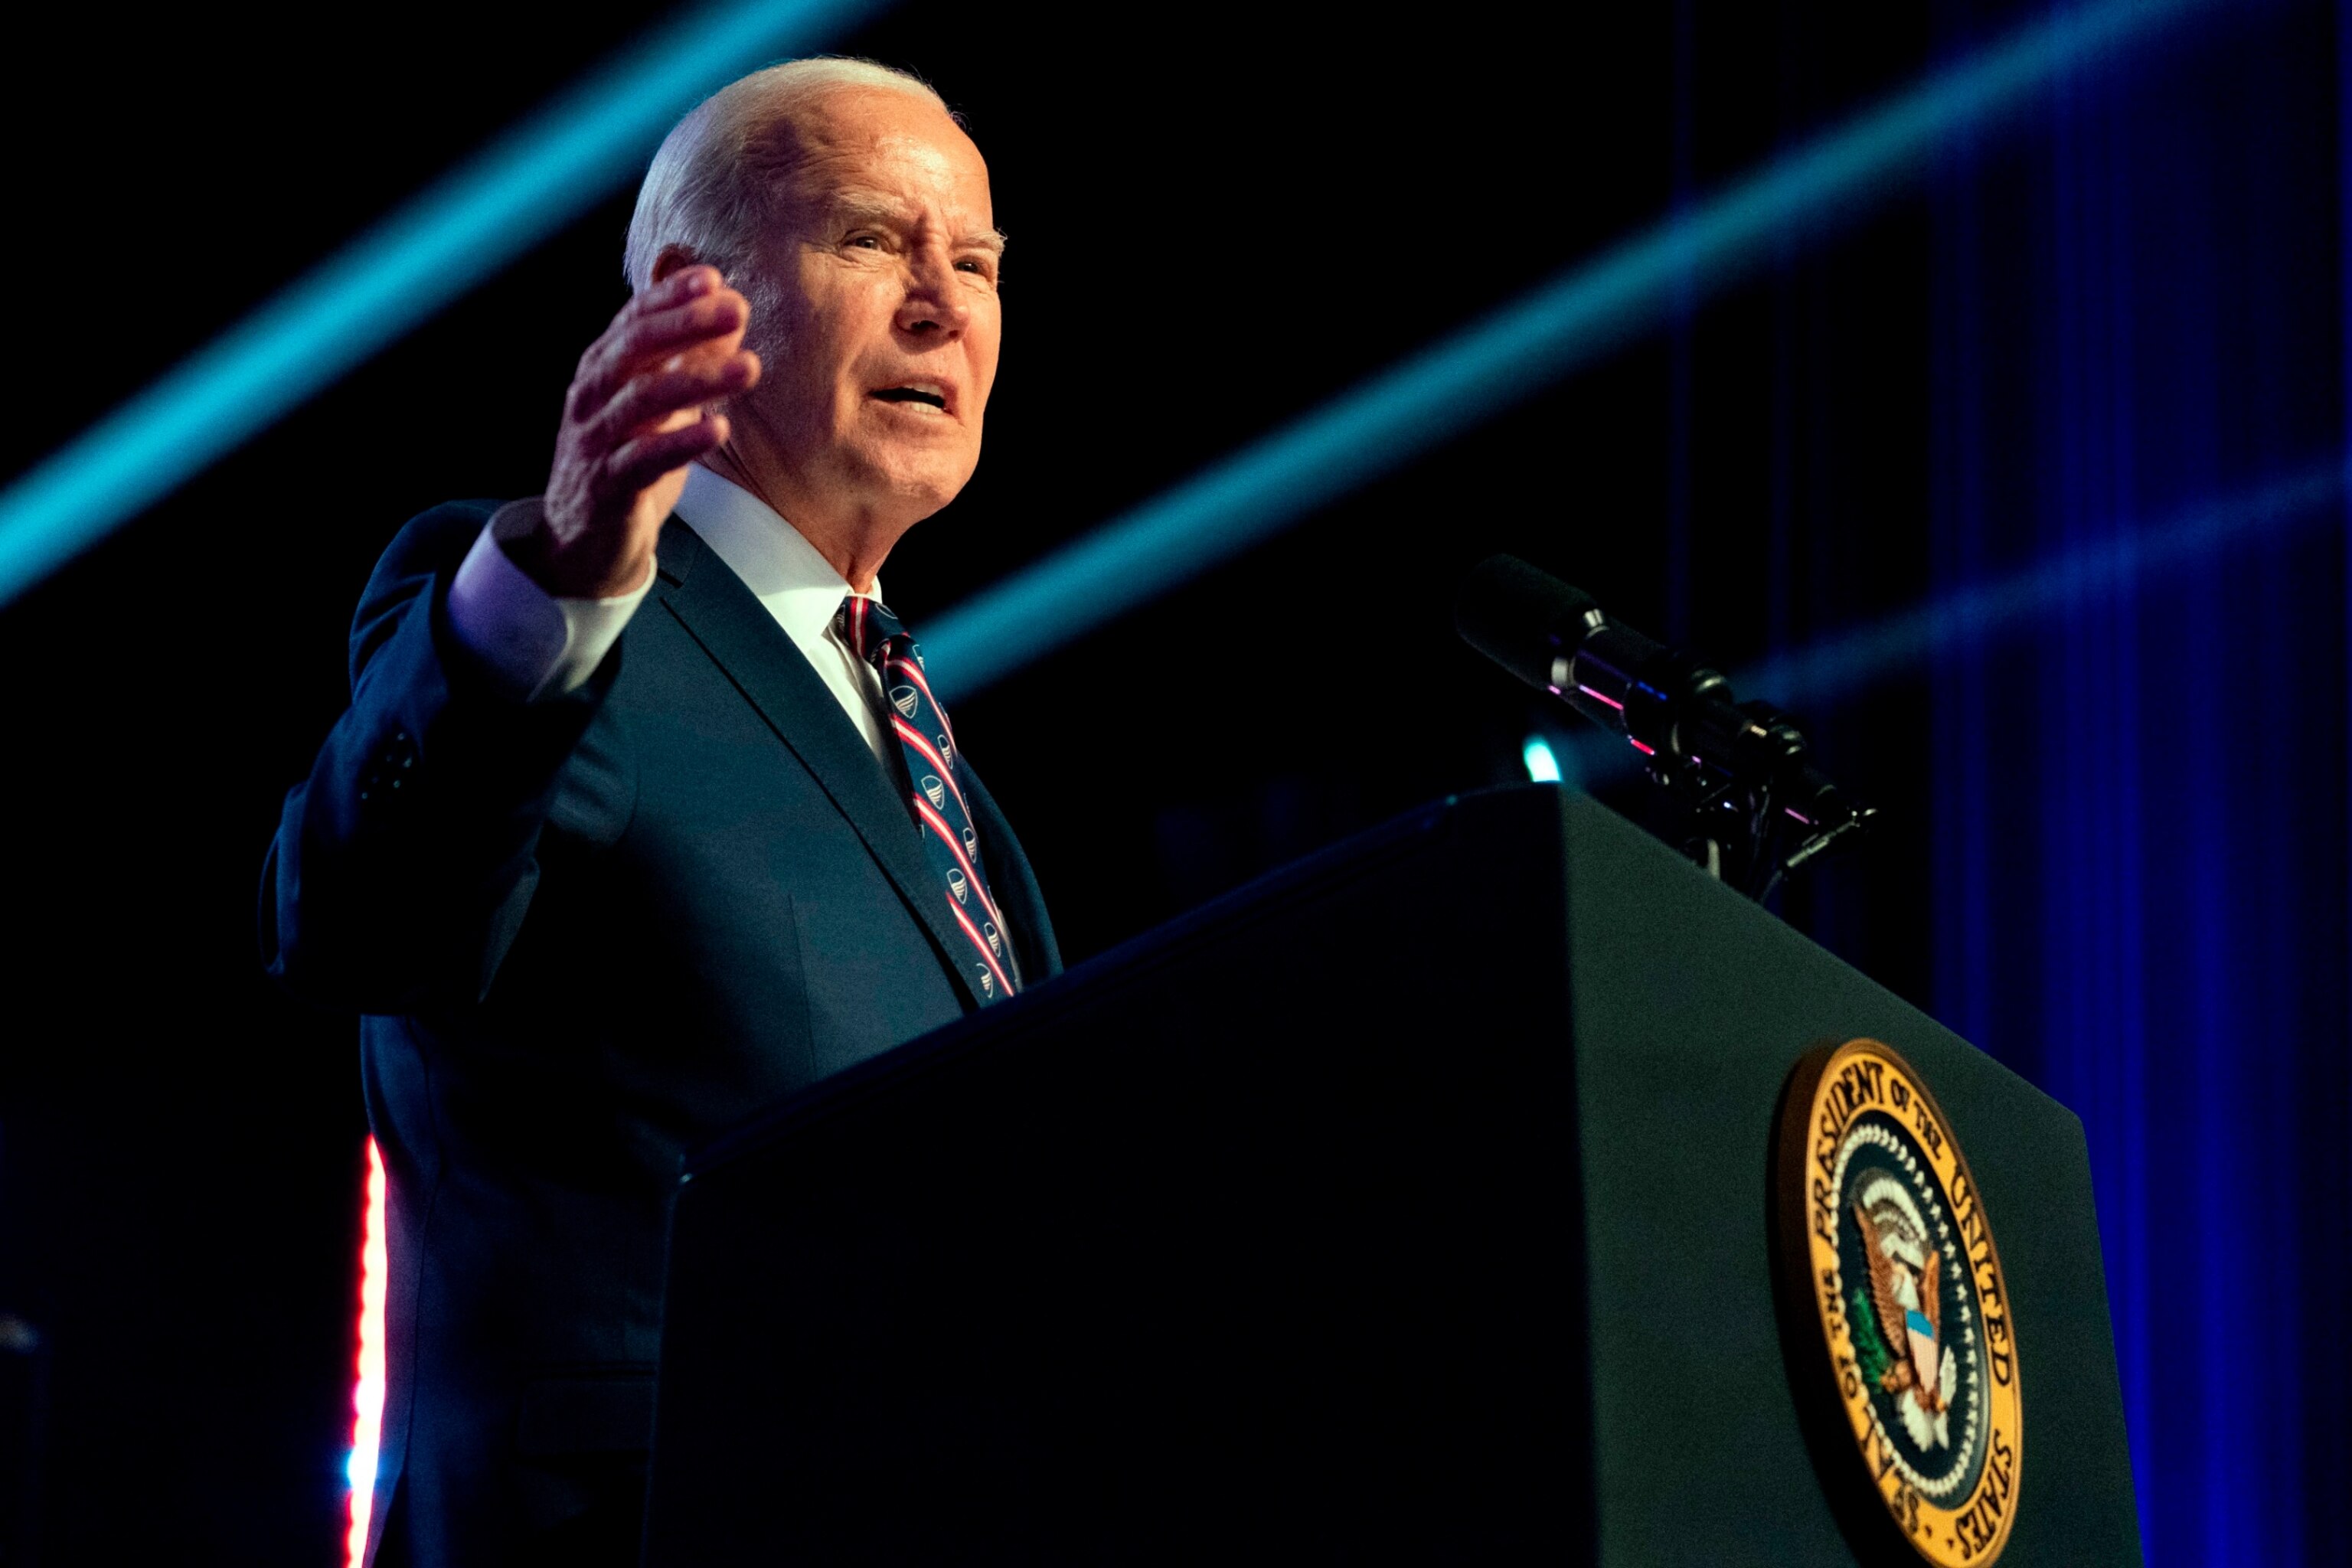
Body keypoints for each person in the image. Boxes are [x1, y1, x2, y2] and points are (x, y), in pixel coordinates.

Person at [260, 58, 1057, 1567]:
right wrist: (557, 577)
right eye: (875, 241)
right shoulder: (556, 617)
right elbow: (352, 924)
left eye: (978, 262)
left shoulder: (939, 763)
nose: (944, 304)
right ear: (696, 294)